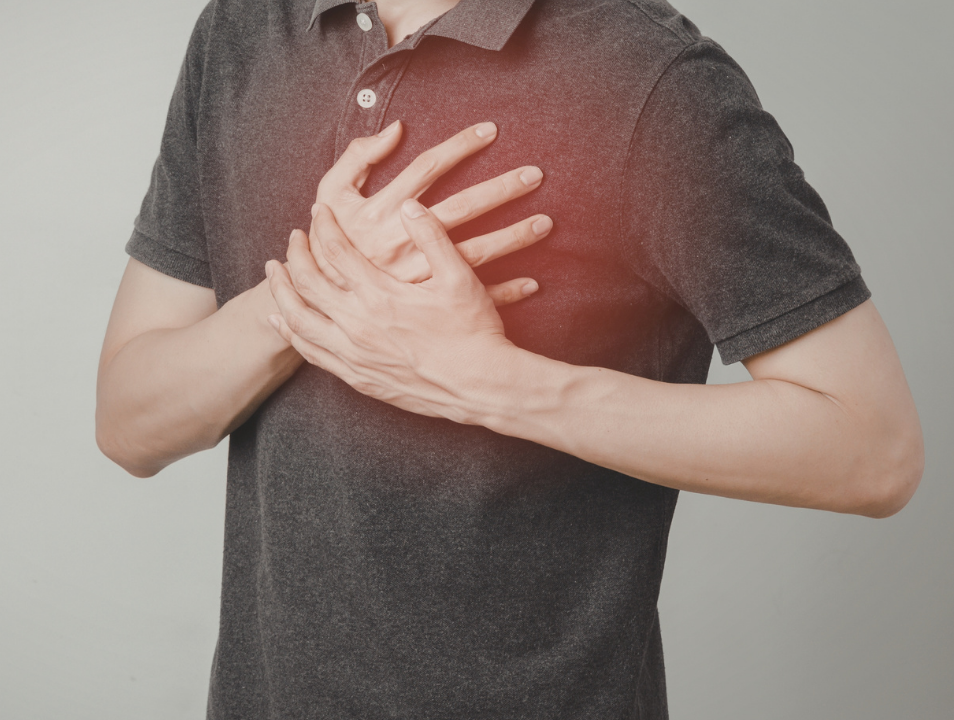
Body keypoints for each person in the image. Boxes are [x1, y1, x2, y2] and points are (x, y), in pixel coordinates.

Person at [95, 0, 925, 717]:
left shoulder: (648, 78)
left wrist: (494, 385)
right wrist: (310, 293)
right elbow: (130, 424)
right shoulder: (241, 30)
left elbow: (872, 449)